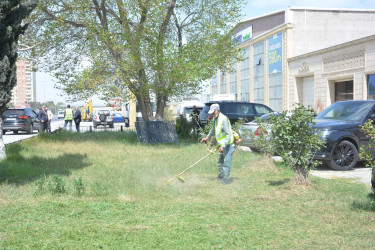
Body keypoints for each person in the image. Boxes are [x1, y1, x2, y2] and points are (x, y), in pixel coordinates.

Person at [201, 104, 235, 185]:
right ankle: (219, 179)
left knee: (226, 164)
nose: (212, 114)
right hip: (222, 145)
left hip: (228, 145)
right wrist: (207, 137)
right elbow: (213, 129)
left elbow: (228, 134)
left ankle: (225, 182)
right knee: (220, 163)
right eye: (211, 113)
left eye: (213, 112)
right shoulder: (215, 118)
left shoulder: (223, 119)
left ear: (217, 111)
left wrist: (223, 146)